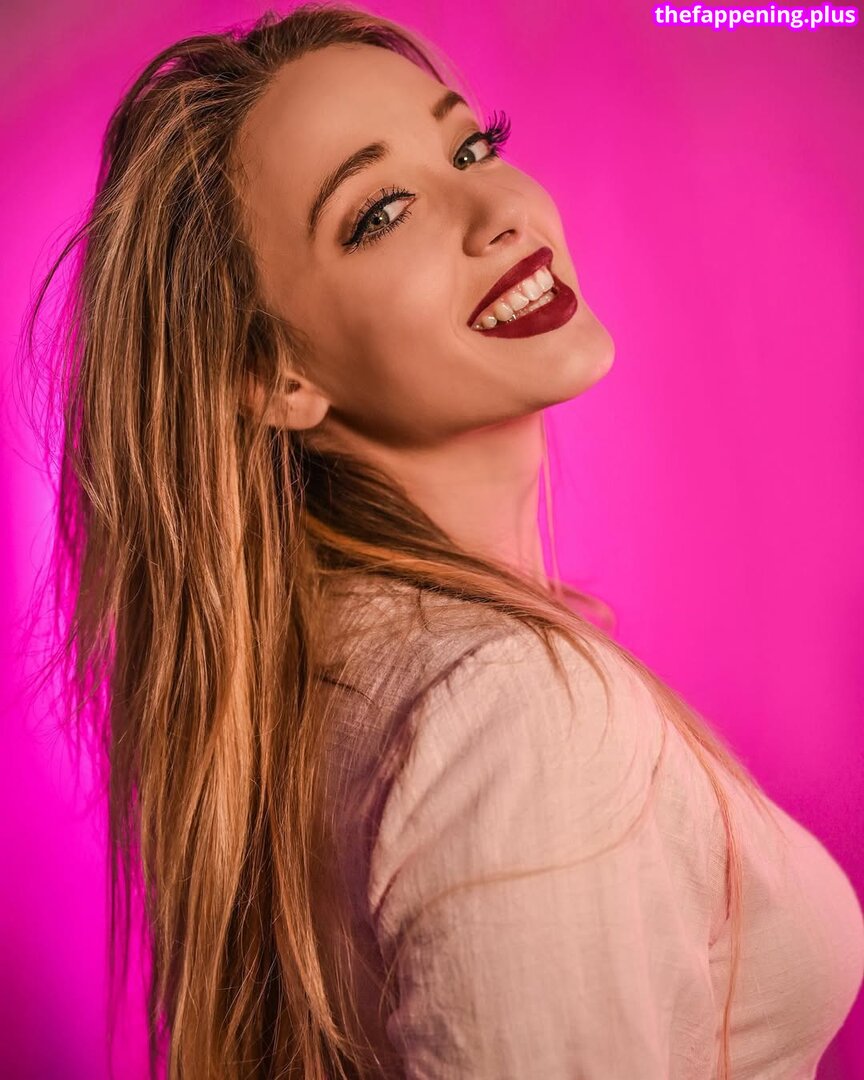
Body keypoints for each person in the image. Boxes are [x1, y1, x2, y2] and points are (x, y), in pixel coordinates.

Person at [24, 3, 863, 1078]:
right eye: (380, 212)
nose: (498, 209)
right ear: (276, 375)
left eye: (473, 146)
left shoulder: (340, 681)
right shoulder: (510, 715)